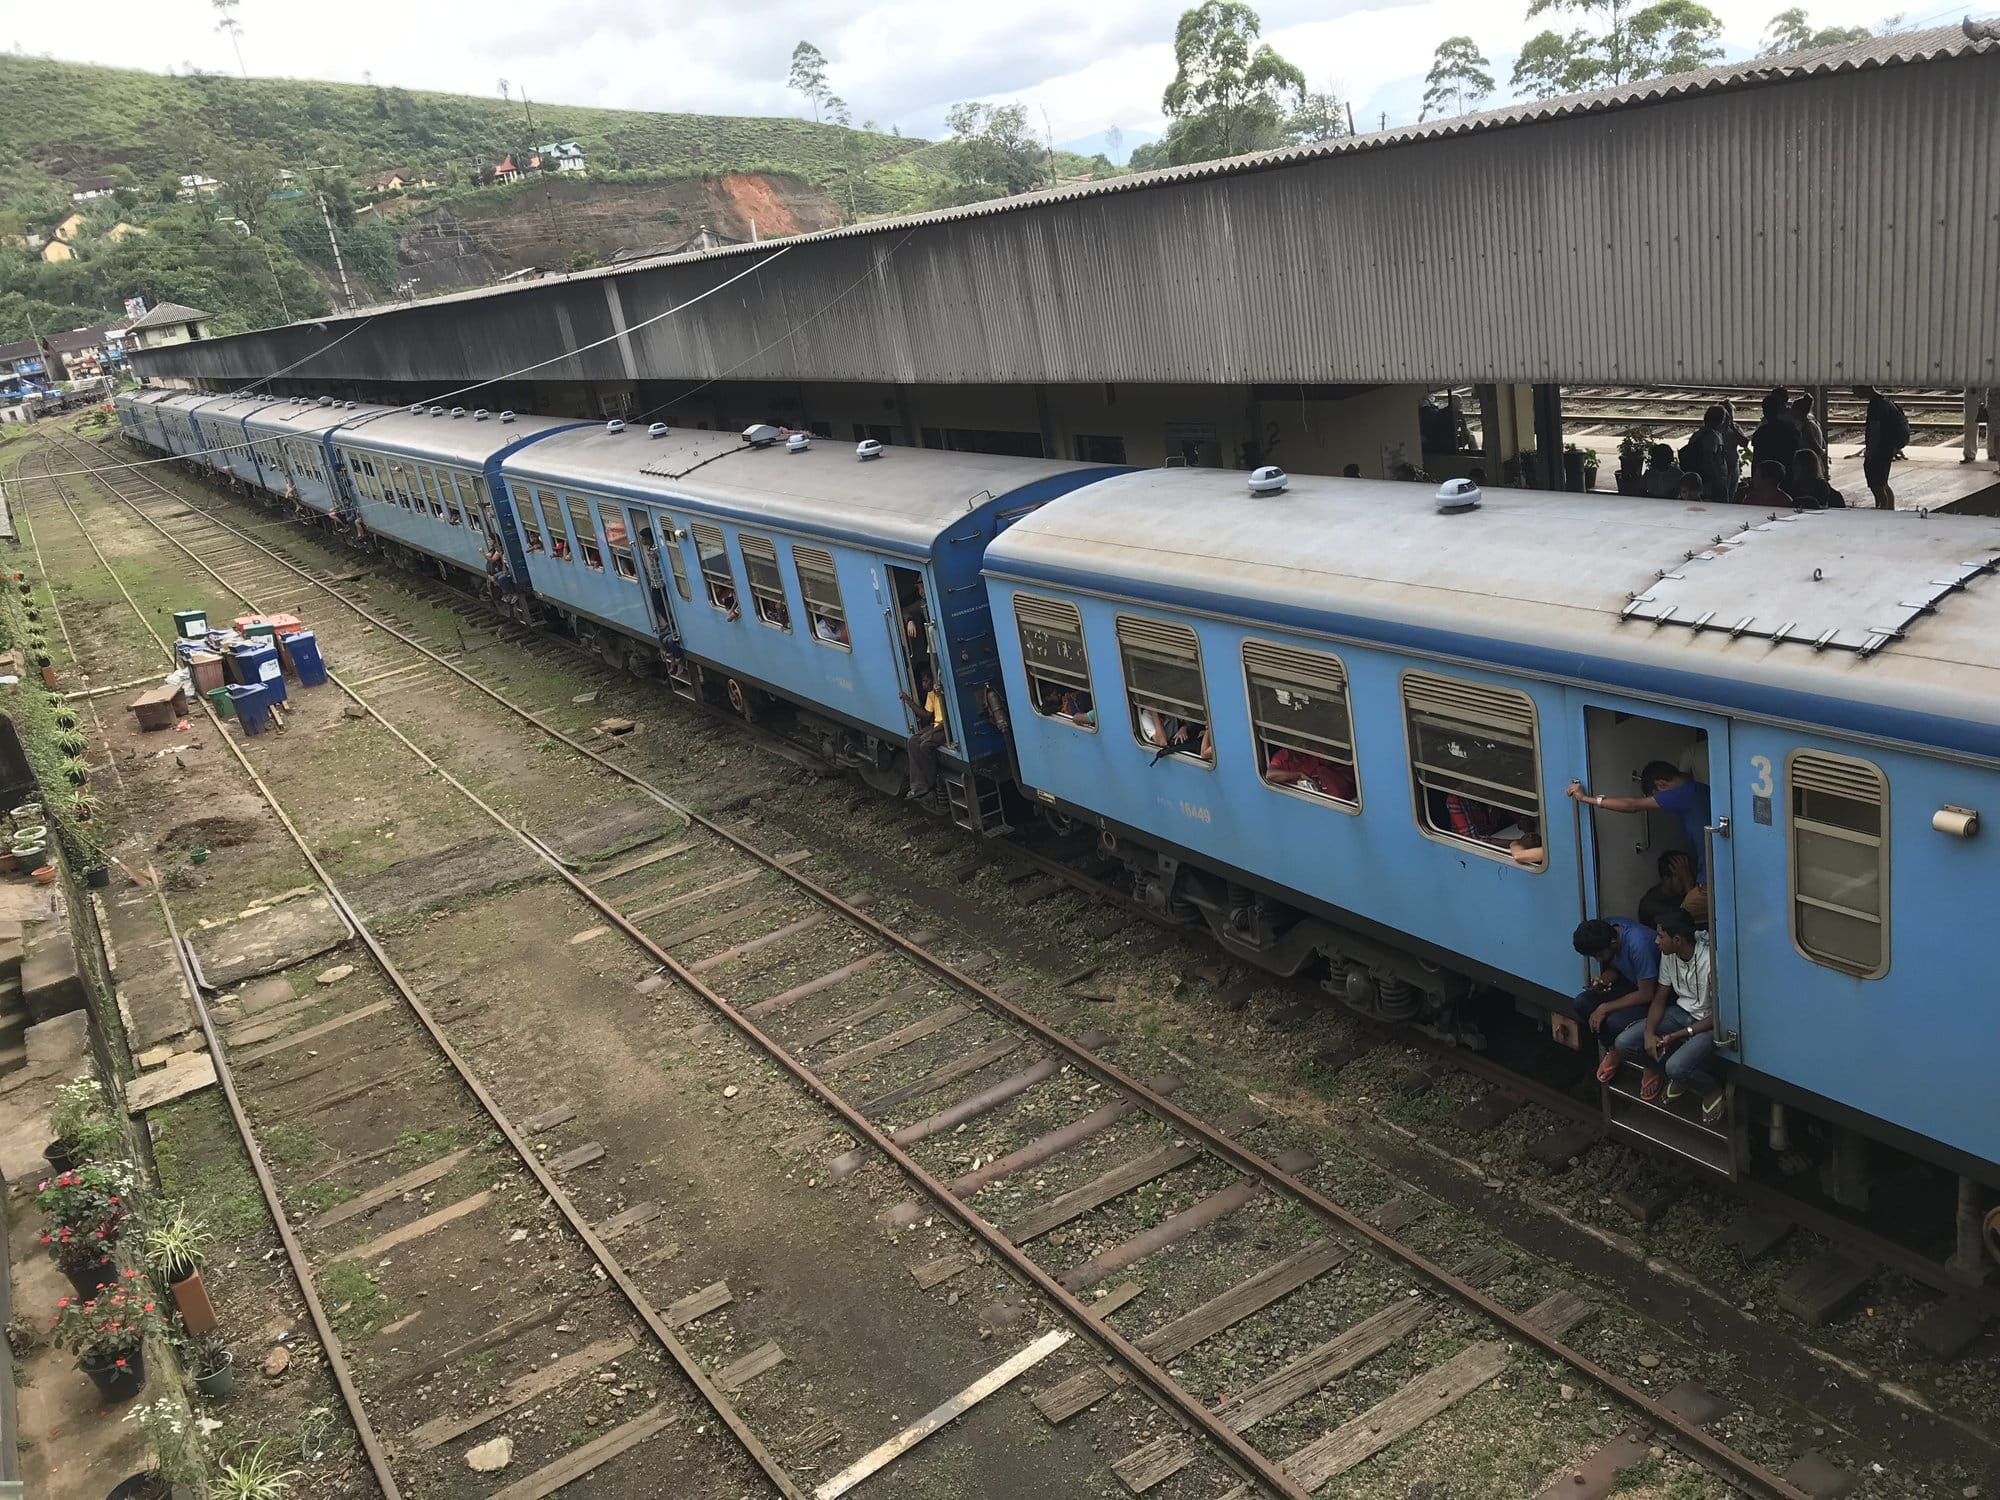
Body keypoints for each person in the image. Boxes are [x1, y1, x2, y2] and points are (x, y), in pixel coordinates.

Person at [1611, 908, 1722, 1117]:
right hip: (1679, 1012)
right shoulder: (1669, 955)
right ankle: (1681, 1078)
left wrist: (1676, 1036)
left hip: (1707, 1024)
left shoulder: (1711, 962)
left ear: (1678, 940)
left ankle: (1711, 1089)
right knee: (1624, 1043)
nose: (1656, 942)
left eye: (1661, 936)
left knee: (1675, 1067)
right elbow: (1660, 997)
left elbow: (1717, 1017)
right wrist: (1649, 1033)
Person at [1567, 761, 1712, 917]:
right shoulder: (1701, 789)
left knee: (1682, 920)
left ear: (1661, 784)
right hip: (1713, 873)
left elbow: (1632, 805)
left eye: (1657, 797)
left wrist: (1587, 799)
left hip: (1710, 880)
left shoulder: (1683, 793)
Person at [1571, 916, 1663, 1069]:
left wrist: (1605, 1008)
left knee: (1615, 1021)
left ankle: (1651, 1065)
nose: (1598, 960)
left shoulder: (1638, 945)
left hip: (1652, 993)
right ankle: (1613, 1049)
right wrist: (1605, 978)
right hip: (1631, 982)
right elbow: (1617, 965)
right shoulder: (1607, 930)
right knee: (1582, 1003)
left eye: (1599, 955)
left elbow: (1646, 994)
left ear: (1613, 943)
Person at [1853, 384, 1910, 509]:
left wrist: (1870, 452)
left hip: (1879, 450)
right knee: (1883, 483)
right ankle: (1890, 510)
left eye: (1855, 388)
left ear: (1864, 388)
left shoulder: (1875, 405)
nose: (1853, 391)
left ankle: (1882, 511)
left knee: (1877, 486)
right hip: (1887, 448)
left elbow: (1875, 430)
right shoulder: (1885, 400)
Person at [1682, 404, 1746, 502]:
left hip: (1703, 477)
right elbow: (1709, 458)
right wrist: (1717, 480)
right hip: (1711, 482)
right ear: (1721, 421)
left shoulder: (1699, 433)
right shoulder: (1713, 436)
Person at [900, 671, 947, 800]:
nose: (923, 684)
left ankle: (930, 781)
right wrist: (908, 701)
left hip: (944, 727)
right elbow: (926, 714)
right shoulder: (931, 694)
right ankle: (918, 785)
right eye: (923, 681)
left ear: (933, 680)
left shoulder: (942, 692)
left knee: (925, 745)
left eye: (926, 681)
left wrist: (931, 732)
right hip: (935, 726)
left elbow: (945, 719)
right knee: (913, 742)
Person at [1265, 744, 1356, 802]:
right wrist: (1298, 774)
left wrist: (1317, 749)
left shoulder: (1310, 754)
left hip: (1322, 792)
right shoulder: (1282, 756)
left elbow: (1330, 762)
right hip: (1297, 797)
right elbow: (1270, 775)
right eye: (1300, 743)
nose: (1303, 747)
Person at [1638, 850, 1703, 929]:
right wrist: (1687, 882)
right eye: (1681, 877)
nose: (1687, 879)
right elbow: (1689, 916)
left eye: (1688, 875)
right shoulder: (1651, 905)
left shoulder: (1679, 894)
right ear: (1666, 878)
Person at [1751, 388, 1801, 474]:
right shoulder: (1790, 429)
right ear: (1779, 410)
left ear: (1764, 411)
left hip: (1767, 474)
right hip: (1787, 471)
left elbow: (1756, 459)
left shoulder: (1761, 433)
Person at [1791, 393, 1828, 463]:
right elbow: (1823, 443)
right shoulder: (1814, 422)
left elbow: (1815, 445)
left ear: (1799, 411)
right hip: (1815, 461)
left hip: (1809, 462)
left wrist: (1821, 453)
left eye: (1793, 410)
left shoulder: (1806, 427)